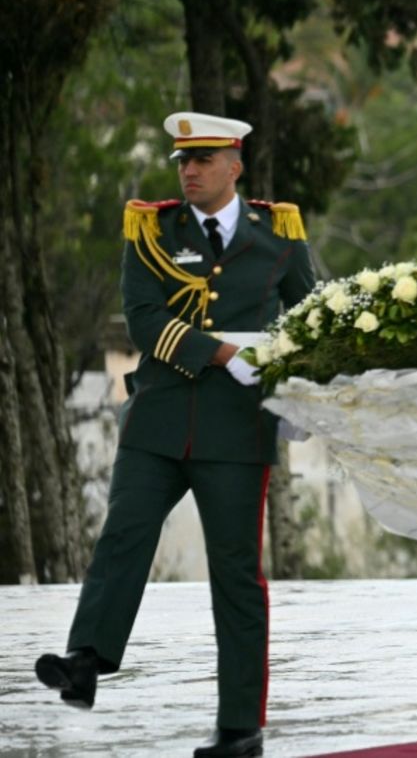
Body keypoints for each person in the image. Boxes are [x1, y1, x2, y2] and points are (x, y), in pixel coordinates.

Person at [35, 112, 316, 758]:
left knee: (236, 577)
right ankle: (85, 660)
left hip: (239, 433)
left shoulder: (278, 233)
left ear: (235, 165)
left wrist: (306, 385)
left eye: (204, 159)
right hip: (158, 420)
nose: (188, 171)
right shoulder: (152, 230)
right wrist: (221, 354)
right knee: (123, 536)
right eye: (182, 160)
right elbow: (142, 318)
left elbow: (312, 314)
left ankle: (240, 727)